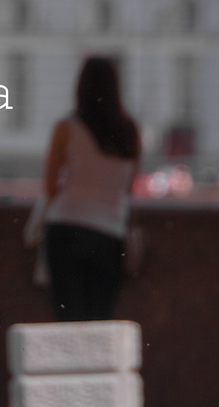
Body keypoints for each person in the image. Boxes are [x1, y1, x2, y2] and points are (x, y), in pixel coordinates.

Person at [37, 56, 141, 322]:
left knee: (68, 316)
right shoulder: (130, 132)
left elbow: (49, 185)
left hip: (66, 226)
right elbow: (128, 187)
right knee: (99, 319)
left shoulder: (67, 128)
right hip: (109, 232)